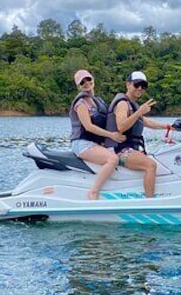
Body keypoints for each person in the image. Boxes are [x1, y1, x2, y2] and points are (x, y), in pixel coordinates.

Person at [105, 71, 169, 198]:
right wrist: (139, 112)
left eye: (143, 85)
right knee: (151, 165)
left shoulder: (132, 105)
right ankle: (149, 203)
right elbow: (121, 126)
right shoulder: (123, 104)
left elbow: (146, 122)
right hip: (119, 149)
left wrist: (168, 126)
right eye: (137, 84)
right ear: (128, 85)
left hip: (129, 148)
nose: (140, 88)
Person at [69, 69, 125, 200]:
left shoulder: (97, 101)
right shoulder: (81, 104)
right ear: (78, 86)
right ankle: (94, 191)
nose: (86, 83)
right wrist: (111, 135)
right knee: (113, 159)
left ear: (93, 79)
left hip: (95, 144)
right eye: (82, 82)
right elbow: (88, 127)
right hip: (82, 144)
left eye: (88, 79)